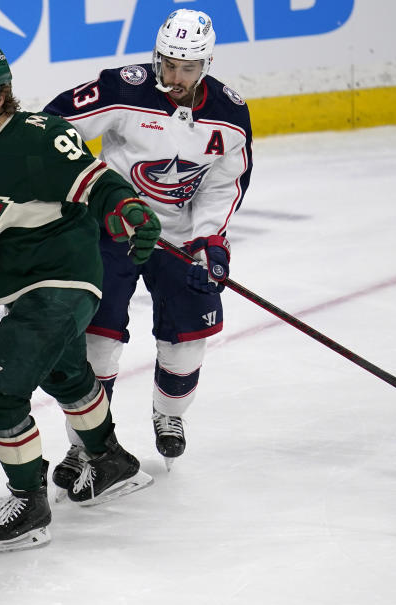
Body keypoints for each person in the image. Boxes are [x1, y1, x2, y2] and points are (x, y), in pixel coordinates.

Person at [0, 45, 161, 554]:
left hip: (64, 282)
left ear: (0, 95)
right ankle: (109, 458)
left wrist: (130, 209)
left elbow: (99, 183)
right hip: (21, 288)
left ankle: (29, 502)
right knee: (65, 373)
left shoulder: (42, 135)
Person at [44, 9, 253, 472]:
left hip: (179, 237)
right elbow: (54, 128)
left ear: (206, 65)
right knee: (97, 339)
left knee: (187, 339)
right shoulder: (125, 88)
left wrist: (209, 238)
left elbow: (223, 184)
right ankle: (86, 444)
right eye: (168, 64)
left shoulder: (229, 116)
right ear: (156, 56)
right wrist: (85, 193)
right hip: (113, 227)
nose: (175, 77)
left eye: (187, 68)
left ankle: (169, 415)